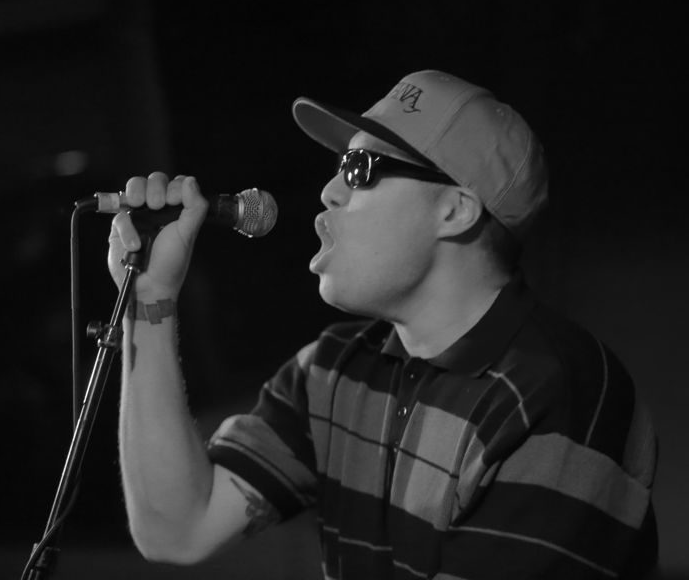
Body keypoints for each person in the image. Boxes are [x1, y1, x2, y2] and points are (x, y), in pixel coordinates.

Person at [106, 69, 658, 579]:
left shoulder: (556, 391)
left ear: (455, 210)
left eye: (360, 169)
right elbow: (176, 529)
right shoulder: (332, 371)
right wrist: (150, 300)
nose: (330, 190)